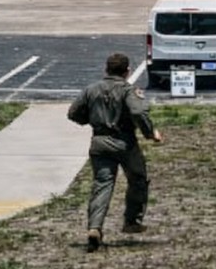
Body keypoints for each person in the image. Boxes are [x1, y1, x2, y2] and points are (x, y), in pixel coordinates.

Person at [68, 52, 163, 253]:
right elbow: (138, 112)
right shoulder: (128, 91)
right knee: (138, 179)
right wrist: (150, 133)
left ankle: (95, 227)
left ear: (106, 70)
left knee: (102, 185)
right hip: (124, 142)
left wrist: (92, 120)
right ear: (127, 72)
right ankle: (132, 220)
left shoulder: (91, 89)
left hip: (99, 141)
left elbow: (73, 113)